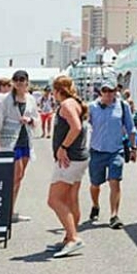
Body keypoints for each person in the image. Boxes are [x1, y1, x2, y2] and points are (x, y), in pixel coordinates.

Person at [48, 75, 90, 258]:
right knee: (71, 198)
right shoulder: (73, 103)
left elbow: (76, 127)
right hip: (78, 158)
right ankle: (69, 236)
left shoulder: (66, 105)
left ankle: (73, 238)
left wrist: (63, 147)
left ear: (58, 91)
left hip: (70, 159)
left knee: (54, 200)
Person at [0, 70, 38, 221]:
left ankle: (10, 211)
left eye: (22, 79)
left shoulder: (31, 99)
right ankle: (4, 210)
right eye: (16, 79)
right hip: (9, 141)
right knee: (15, 176)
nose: (19, 82)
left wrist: (29, 120)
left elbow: (36, 119)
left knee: (19, 177)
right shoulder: (5, 99)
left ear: (27, 82)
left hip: (25, 140)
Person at [87, 82, 137, 229]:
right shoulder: (92, 107)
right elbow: (82, 126)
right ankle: (95, 205)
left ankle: (114, 215)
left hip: (116, 151)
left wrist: (134, 148)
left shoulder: (122, 106)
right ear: (100, 92)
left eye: (112, 91)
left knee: (115, 181)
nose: (109, 94)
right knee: (95, 184)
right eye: (105, 91)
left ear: (116, 91)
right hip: (97, 151)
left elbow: (131, 128)